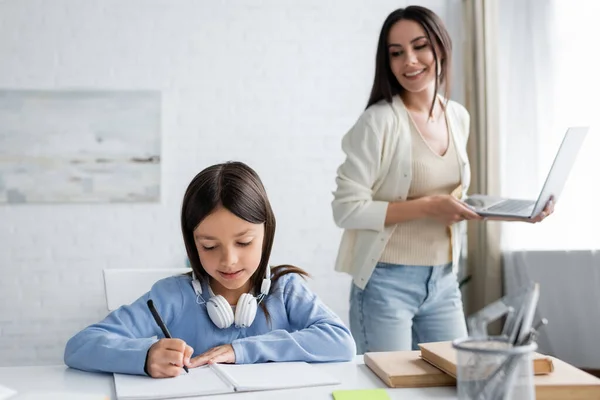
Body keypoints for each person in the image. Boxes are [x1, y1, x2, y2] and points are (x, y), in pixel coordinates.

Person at [331, 6, 554, 354]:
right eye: (397, 53)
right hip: (386, 282)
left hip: (444, 281)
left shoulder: (457, 116)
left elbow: (453, 199)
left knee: (454, 382)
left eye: (420, 46)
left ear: (440, 46)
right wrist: (429, 207)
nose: (410, 60)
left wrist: (520, 211)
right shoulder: (378, 122)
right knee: (386, 388)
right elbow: (346, 210)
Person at [65, 161, 355, 377]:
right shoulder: (172, 296)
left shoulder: (286, 290)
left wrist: (240, 351)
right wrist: (143, 356)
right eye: (209, 246)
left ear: (266, 234)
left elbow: (341, 343)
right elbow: (79, 346)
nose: (228, 260)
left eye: (243, 242)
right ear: (192, 244)